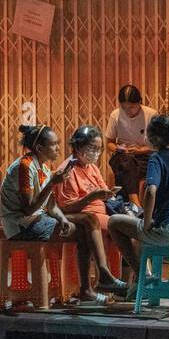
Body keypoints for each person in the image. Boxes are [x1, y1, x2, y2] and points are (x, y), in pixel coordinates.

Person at [107, 115, 169, 300]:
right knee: (145, 237)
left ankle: (144, 276)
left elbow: (150, 191)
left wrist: (148, 220)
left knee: (115, 223)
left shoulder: (156, 158)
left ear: (154, 138)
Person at [53, 125, 125, 300]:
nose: (96, 153)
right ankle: (112, 281)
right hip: (83, 215)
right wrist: (92, 197)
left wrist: (108, 194)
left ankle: (129, 283)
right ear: (78, 148)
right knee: (122, 228)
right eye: (92, 148)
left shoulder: (91, 167)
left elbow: (102, 189)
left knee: (131, 226)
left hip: (102, 213)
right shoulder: (68, 171)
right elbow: (66, 207)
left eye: (99, 149)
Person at [0, 125, 76, 243]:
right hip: (19, 225)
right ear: (39, 148)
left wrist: (63, 219)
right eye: (54, 144)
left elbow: (52, 206)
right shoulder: (25, 166)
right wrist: (52, 183)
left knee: (74, 224)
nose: (58, 148)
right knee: (75, 231)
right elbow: (28, 210)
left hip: (36, 219)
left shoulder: (44, 168)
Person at [106, 84, 155, 205]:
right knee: (127, 161)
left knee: (126, 170)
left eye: (132, 107)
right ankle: (136, 204)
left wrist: (140, 150)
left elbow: (157, 146)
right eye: (124, 107)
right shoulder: (115, 115)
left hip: (144, 157)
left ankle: (125, 205)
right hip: (121, 156)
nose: (128, 111)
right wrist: (119, 148)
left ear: (140, 102)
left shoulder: (151, 115)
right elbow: (109, 143)